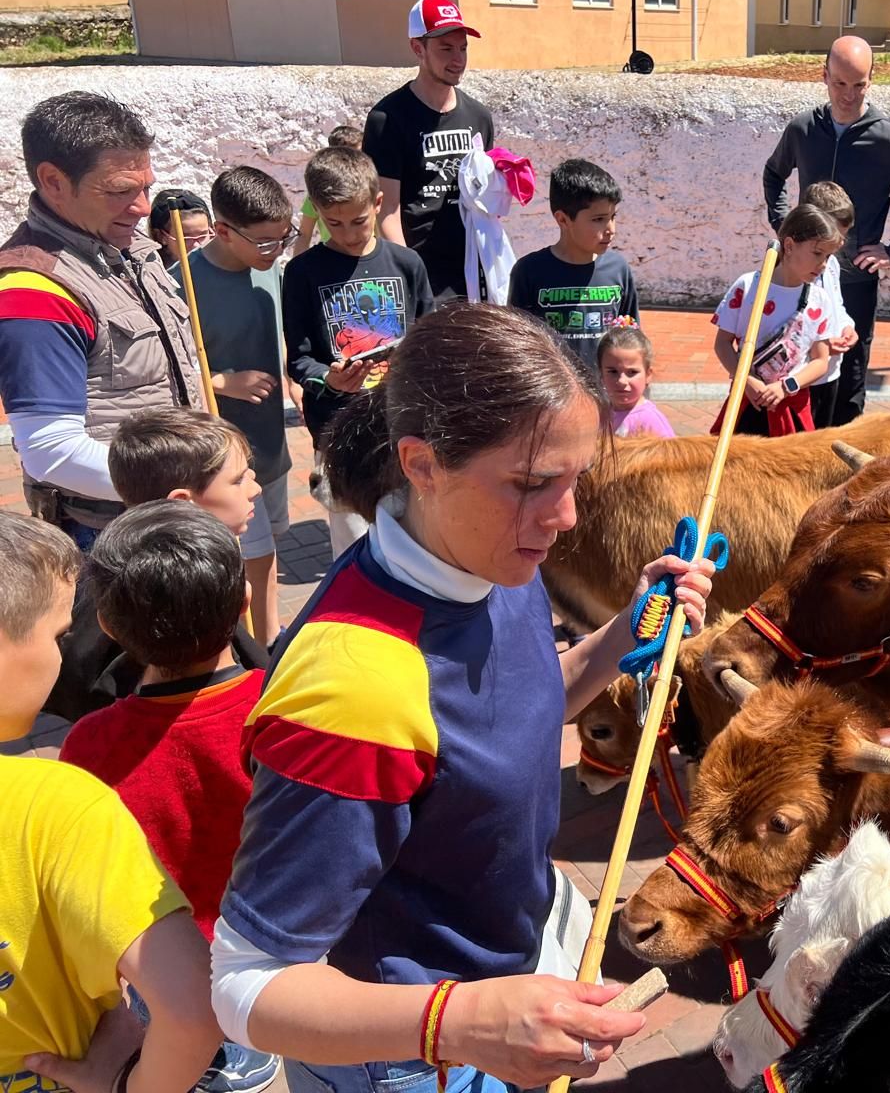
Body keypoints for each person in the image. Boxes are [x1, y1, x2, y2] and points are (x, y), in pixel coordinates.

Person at [208, 303, 715, 1093]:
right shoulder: (356, 689)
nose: (567, 515)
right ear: (421, 464)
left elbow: (532, 700)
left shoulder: (488, 558)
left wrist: (625, 629)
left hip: (501, 973)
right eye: (532, 483)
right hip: (416, 1062)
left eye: (576, 477)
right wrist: (466, 1025)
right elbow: (248, 984)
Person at [59, 502, 282, 1093]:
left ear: (107, 625)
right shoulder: (283, 710)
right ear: (242, 608)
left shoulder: (90, 743)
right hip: (269, 948)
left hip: (165, 966)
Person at [0, 511, 221, 1093]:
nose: (63, 657)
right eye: (56, 636)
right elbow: (193, 1011)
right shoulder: (54, 804)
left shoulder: (84, 750)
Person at [0, 91, 202, 550]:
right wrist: (193, 483)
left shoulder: (126, 246)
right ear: (53, 181)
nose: (143, 207)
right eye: (120, 191)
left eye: (146, 186)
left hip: (170, 506)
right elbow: (51, 452)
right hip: (116, 530)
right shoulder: (34, 291)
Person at [761, 35, 890, 425]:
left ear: (871, 80)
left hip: (854, 280)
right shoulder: (803, 129)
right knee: (797, 362)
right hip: (800, 275)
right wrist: (784, 227)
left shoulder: (886, 138)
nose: (848, 94)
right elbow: (774, 173)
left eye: (859, 84)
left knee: (849, 375)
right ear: (824, 76)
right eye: (840, 83)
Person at [45, 409, 270, 723]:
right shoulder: (175, 596)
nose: (256, 488)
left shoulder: (110, 569)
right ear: (181, 502)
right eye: (237, 480)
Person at [283, 146, 434, 557]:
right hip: (339, 434)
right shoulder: (301, 273)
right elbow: (298, 360)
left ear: (378, 203)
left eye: (359, 221)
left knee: (413, 543)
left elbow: (427, 339)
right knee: (354, 550)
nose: (349, 233)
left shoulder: (407, 263)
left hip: (402, 427)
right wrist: (328, 379)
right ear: (315, 210)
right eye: (334, 223)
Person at [187, 166, 300, 648]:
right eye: (266, 242)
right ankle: (256, 650)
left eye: (284, 237)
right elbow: (161, 372)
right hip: (224, 458)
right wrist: (219, 381)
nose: (277, 251)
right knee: (247, 558)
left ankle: (268, 639)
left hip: (270, 444)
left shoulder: (267, 267)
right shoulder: (183, 284)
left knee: (268, 550)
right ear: (223, 231)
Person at [363, 0, 493, 305]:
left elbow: (484, 199)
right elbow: (385, 209)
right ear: (418, 48)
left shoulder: (479, 116)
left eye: (463, 48)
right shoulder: (387, 119)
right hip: (422, 278)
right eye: (446, 49)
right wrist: (411, 279)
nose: (458, 59)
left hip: (474, 276)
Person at [709, 205, 840, 436]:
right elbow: (722, 343)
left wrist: (787, 386)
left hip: (792, 406)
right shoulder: (748, 287)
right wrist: (746, 380)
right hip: (748, 399)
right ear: (789, 246)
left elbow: (821, 360)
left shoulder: (819, 300)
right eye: (817, 253)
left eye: (828, 256)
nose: (824, 264)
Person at [507, 159, 638, 372]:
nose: (610, 229)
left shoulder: (619, 269)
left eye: (613, 217)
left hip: (607, 399)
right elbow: (519, 345)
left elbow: (632, 339)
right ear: (563, 220)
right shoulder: (529, 271)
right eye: (598, 219)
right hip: (555, 396)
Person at [795, 180, 861, 428]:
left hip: (830, 372)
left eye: (844, 236)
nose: (841, 243)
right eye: (835, 235)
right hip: (803, 376)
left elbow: (837, 306)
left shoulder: (831, 265)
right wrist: (820, 343)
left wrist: (846, 326)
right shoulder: (796, 269)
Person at [293, 125, 364, 256]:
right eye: (346, 157)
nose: (353, 163)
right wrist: (294, 270)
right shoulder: (319, 192)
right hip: (331, 257)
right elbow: (305, 233)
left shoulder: (371, 189)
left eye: (359, 155)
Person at [598, 321, 674, 438]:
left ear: (648, 375)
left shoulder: (652, 422)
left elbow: (671, 455)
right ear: (601, 374)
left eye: (632, 372)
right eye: (613, 372)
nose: (622, 381)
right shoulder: (598, 415)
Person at [148, 188, 214, 267]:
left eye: (202, 236)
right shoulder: (150, 274)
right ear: (161, 237)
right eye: (186, 238)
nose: (196, 246)